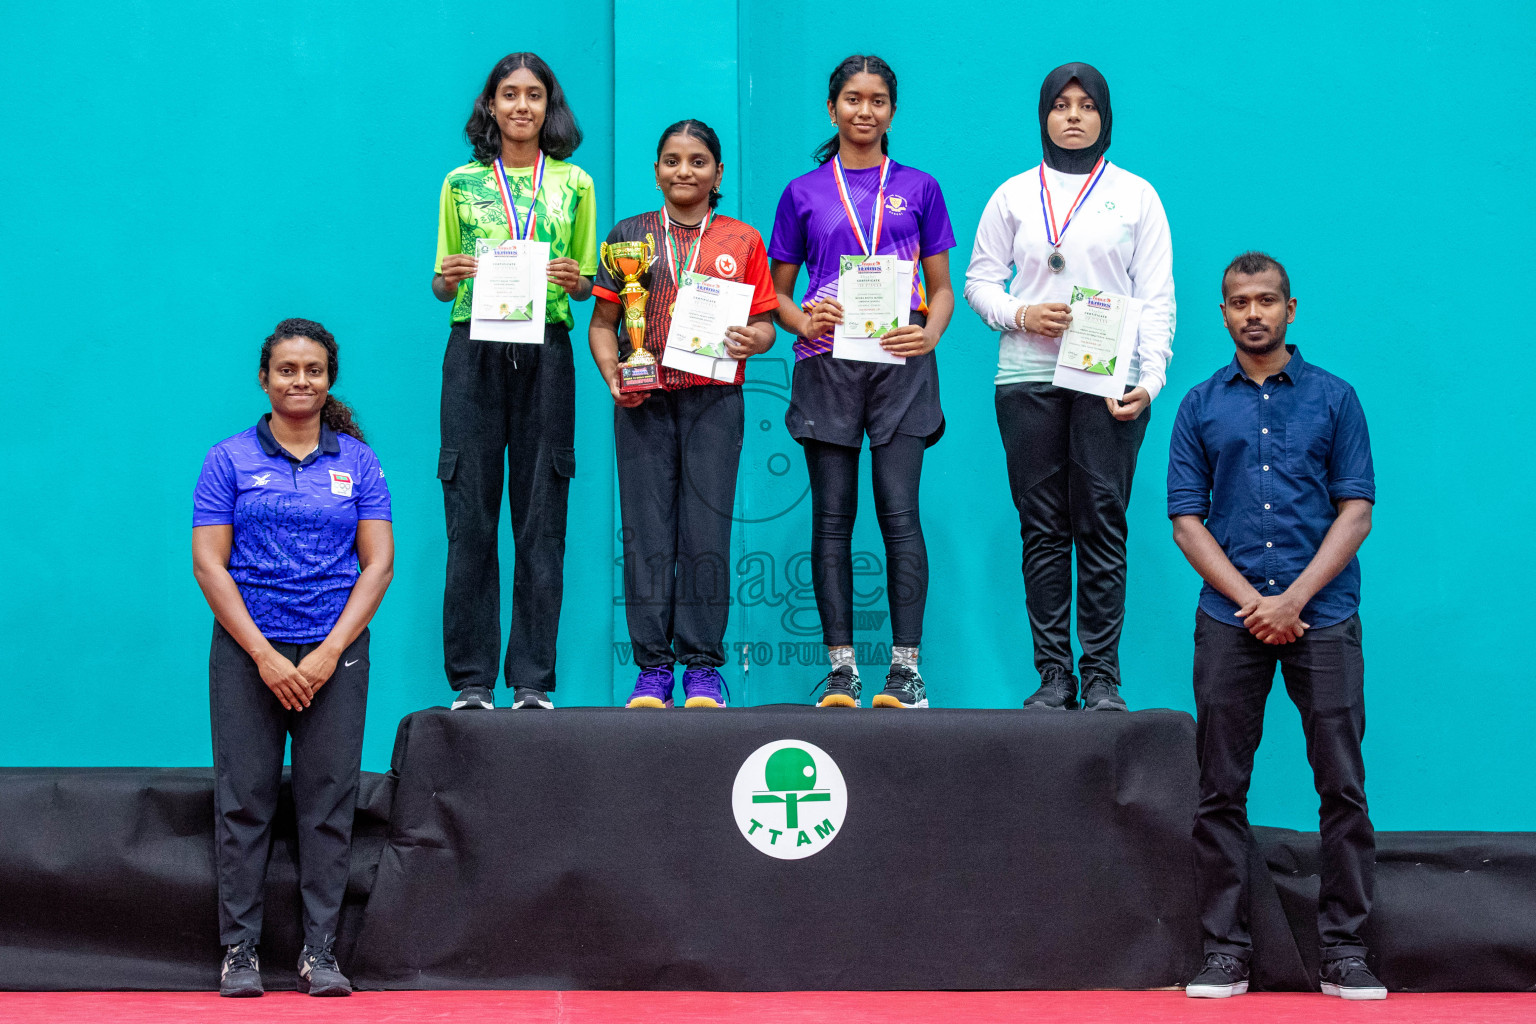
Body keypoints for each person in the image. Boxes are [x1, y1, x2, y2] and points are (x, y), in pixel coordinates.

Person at [1169, 253, 1384, 1001]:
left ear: (1293, 308)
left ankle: (1345, 951)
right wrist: (1252, 603)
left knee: (1342, 787)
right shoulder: (1199, 405)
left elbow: (1355, 511)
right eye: (1237, 302)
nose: (1252, 313)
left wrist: (1292, 599)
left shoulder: (1336, 400)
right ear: (1222, 313)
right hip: (1228, 621)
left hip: (1323, 617)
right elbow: (1187, 523)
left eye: (1266, 300)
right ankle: (1225, 951)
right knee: (1219, 789)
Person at [192, 319, 394, 998]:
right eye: (286, 370)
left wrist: (329, 652)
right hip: (249, 652)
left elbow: (378, 565)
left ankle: (320, 953)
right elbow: (210, 565)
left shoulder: (358, 462)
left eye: (312, 370)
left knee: (327, 805)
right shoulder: (227, 459)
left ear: (329, 377)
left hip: (335, 654)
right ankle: (240, 953)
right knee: (244, 803)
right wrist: (266, 657)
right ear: (264, 378)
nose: (299, 381)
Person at [964, 62, 1174, 712]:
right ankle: (1054, 676)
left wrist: (1152, 378)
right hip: (1027, 378)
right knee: (1044, 529)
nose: (1075, 115)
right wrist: (1020, 314)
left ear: (1105, 117)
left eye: (1087, 105)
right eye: (1062, 104)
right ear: (1044, 116)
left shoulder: (1137, 196)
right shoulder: (1013, 196)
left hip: (1108, 382)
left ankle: (1104, 677)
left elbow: (1157, 298)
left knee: (1103, 524)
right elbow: (977, 282)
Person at [769, 54, 956, 710]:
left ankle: (906, 671)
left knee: (900, 513)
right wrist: (802, 317)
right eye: (853, 98)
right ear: (833, 108)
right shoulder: (802, 192)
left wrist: (930, 333)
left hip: (902, 362)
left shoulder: (921, 187)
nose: (865, 110)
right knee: (832, 519)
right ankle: (842, 671)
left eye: (877, 100)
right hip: (826, 362)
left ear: (892, 112)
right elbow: (779, 296)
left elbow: (940, 289)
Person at [588, 120, 779, 709]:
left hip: (714, 402)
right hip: (642, 401)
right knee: (646, 536)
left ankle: (700, 667)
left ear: (718, 173)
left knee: (705, 533)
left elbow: (767, 326)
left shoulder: (742, 242)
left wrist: (755, 338)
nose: (684, 171)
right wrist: (614, 375)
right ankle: (652, 670)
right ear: (656, 171)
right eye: (671, 160)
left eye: (698, 161)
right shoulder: (628, 237)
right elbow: (602, 327)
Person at [431, 52, 597, 711]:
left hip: (546, 350)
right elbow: (440, 280)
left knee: (540, 517)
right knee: (469, 515)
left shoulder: (574, 184)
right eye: (509, 94)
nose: (521, 106)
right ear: (490, 106)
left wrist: (574, 281)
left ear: (548, 106)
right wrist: (450, 274)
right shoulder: (461, 184)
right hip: (473, 347)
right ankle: (472, 681)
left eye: (534, 95)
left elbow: (586, 281)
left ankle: (532, 681)